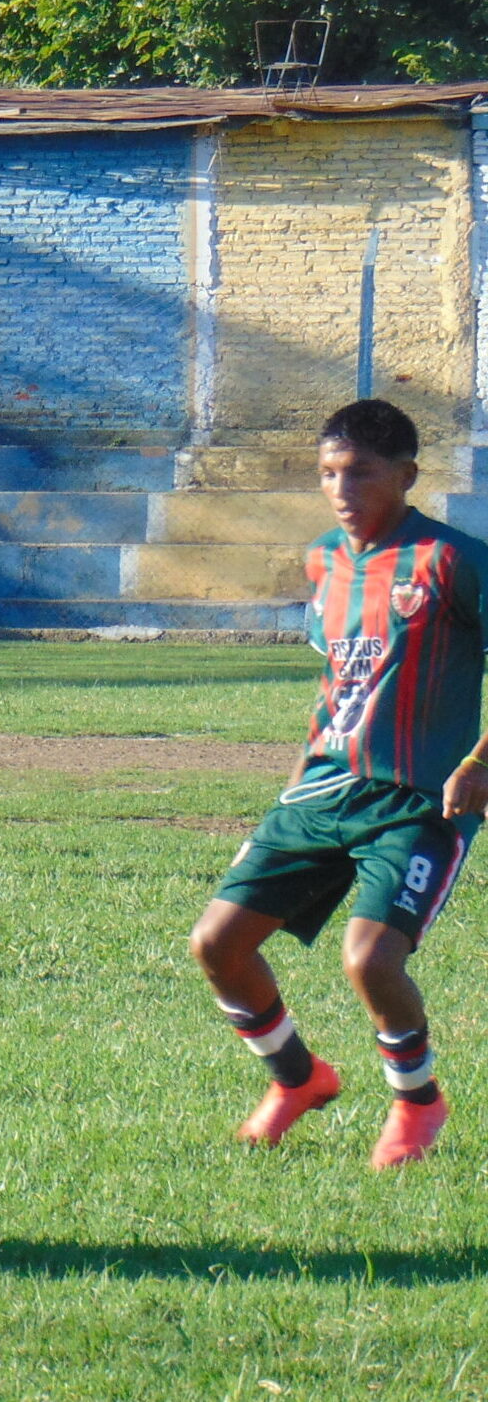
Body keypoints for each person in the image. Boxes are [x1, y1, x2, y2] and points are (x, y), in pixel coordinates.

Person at [188, 400, 488, 1171]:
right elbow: (338, 684)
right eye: (328, 473)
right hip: (322, 789)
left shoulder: (452, 560)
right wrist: (295, 782)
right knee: (217, 944)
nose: (341, 489)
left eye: (360, 473)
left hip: (417, 800)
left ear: (406, 476)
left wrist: (480, 761)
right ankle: (299, 1079)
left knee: (370, 960)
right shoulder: (324, 560)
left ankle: (417, 1102)